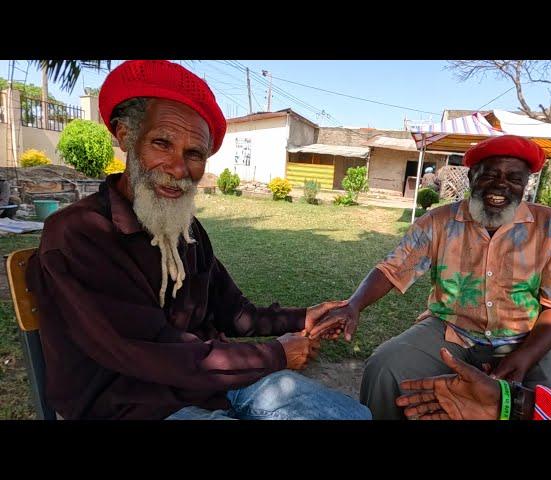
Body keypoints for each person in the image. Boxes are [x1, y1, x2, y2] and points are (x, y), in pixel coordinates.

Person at [26, 60, 371, 420]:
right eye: (162, 143)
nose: (179, 169)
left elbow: (235, 313)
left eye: (194, 154)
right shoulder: (79, 235)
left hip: (208, 386)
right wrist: (275, 355)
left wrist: (302, 316)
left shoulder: (187, 231)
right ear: (126, 136)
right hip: (129, 404)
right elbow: (148, 350)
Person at [310, 135, 551, 419]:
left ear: (525, 184)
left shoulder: (549, 226)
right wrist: (354, 305)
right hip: (451, 330)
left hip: (526, 339)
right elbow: (392, 268)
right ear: (472, 177)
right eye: (490, 174)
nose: (501, 185)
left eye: (514, 179)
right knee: (384, 367)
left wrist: (524, 357)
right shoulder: (439, 221)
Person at [395, 347, 551, 420]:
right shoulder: (441, 224)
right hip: (454, 332)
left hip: (530, 339)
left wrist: (524, 356)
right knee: (386, 366)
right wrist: (510, 402)